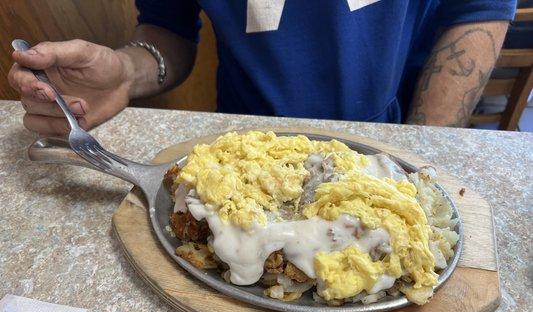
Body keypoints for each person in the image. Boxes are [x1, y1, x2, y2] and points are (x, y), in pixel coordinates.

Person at [8, 0, 516, 136]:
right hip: (241, 141)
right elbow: (168, 27)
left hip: (386, 133)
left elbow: (477, 8)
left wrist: (424, 151)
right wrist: (124, 69)